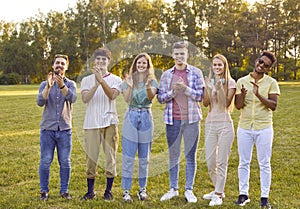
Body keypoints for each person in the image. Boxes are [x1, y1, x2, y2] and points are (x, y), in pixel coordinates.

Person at [157, 41, 204, 203]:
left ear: (187, 55)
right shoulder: (166, 75)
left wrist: (185, 89)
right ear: (172, 55)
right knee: (173, 155)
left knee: (190, 155)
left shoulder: (196, 73)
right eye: (176, 54)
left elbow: (200, 96)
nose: (179, 57)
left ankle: (189, 190)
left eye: (182, 54)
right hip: (173, 120)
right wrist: (173, 92)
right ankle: (173, 188)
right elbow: (161, 98)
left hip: (192, 120)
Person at [234, 51, 280, 208]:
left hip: (264, 128)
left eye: (265, 65)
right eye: (260, 62)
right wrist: (242, 95)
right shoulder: (242, 81)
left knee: (264, 163)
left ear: (268, 69)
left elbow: (273, 105)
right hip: (245, 127)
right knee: (244, 162)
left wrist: (259, 95)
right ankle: (243, 194)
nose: (261, 66)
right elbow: (238, 105)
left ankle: (264, 198)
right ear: (256, 60)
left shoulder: (271, 83)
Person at [80, 48, 122, 201]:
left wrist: (102, 80)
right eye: (98, 59)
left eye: (104, 59)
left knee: (110, 157)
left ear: (109, 61)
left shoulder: (116, 80)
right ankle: (90, 191)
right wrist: (96, 83)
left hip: (110, 123)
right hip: (91, 123)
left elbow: (112, 95)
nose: (101, 62)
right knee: (91, 158)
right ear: (94, 61)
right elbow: (85, 99)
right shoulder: (86, 80)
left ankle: (108, 191)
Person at [36, 54, 77, 200]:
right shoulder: (44, 84)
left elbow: (72, 98)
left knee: (65, 161)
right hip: (48, 129)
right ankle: (44, 191)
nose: (59, 65)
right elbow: (40, 102)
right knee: (46, 160)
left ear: (66, 67)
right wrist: (48, 87)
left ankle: (64, 191)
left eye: (62, 63)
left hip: (65, 130)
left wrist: (61, 86)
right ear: (53, 66)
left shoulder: (71, 84)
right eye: (57, 63)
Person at [121, 53, 158, 202]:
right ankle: (126, 191)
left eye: (144, 63)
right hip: (131, 115)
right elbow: (127, 99)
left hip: (146, 117)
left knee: (144, 157)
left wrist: (148, 86)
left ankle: (142, 189)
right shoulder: (128, 80)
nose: (141, 65)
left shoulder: (153, 80)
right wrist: (129, 86)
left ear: (148, 66)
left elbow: (150, 98)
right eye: (139, 63)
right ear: (135, 65)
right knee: (129, 156)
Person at [202, 54, 236, 206]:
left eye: (219, 65)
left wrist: (220, 88)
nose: (216, 67)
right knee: (210, 162)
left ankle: (218, 195)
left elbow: (226, 104)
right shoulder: (208, 82)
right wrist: (208, 88)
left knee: (222, 162)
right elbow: (205, 103)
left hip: (225, 125)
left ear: (224, 66)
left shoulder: (231, 83)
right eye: (214, 65)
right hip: (210, 124)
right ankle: (218, 189)